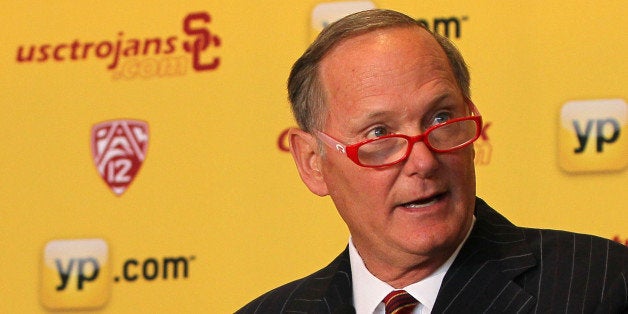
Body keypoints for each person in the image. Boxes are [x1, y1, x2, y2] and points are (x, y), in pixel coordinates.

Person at [237, 9, 627, 314]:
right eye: (379, 134)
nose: (422, 160)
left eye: (441, 118)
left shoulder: (602, 285)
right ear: (312, 162)